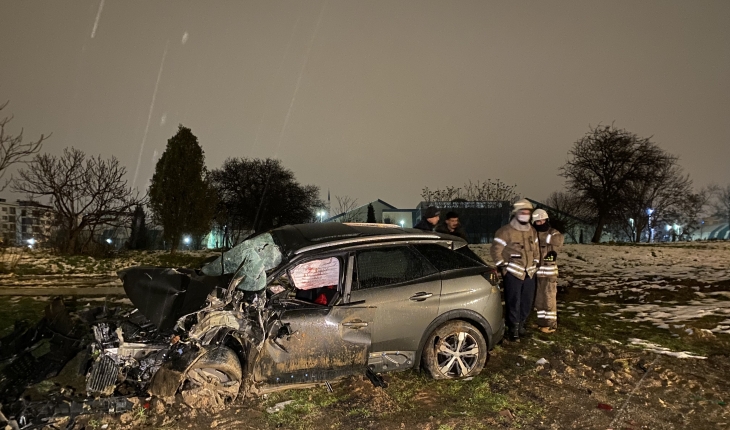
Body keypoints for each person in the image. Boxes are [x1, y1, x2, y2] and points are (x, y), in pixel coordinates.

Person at [490, 199, 540, 341]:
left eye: (528, 212)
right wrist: (503, 267)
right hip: (513, 272)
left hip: (529, 273)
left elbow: (536, 250)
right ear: (516, 213)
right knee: (513, 301)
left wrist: (535, 263)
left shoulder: (532, 231)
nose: (525, 215)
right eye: (522, 212)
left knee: (527, 301)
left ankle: (521, 325)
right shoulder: (505, 231)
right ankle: (513, 329)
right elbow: (495, 251)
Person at [532, 209, 564, 333]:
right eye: (538, 221)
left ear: (546, 220)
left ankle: (551, 325)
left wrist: (541, 236)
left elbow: (559, 240)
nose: (540, 223)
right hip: (537, 274)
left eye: (542, 220)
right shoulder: (534, 234)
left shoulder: (553, 233)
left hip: (549, 274)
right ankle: (542, 323)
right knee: (539, 301)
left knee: (549, 299)